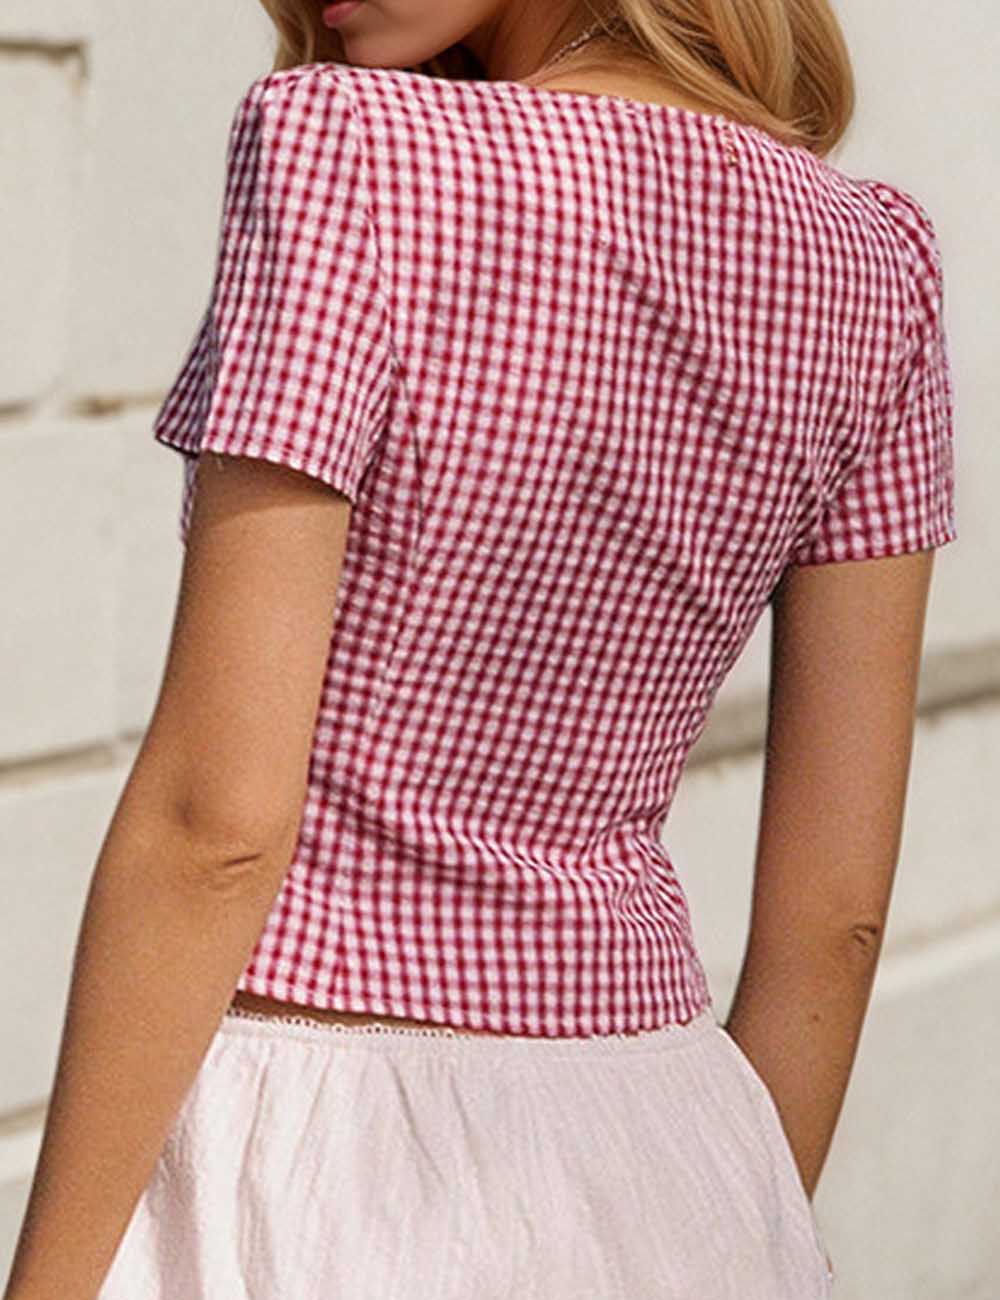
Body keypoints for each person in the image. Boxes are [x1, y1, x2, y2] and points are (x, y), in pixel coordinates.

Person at [4, 2, 957, 1298]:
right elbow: (836, 919)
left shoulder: (348, 148)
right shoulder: (878, 263)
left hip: (316, 1140)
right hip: (669, 1136)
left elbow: (214, 825)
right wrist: (737, 1226)